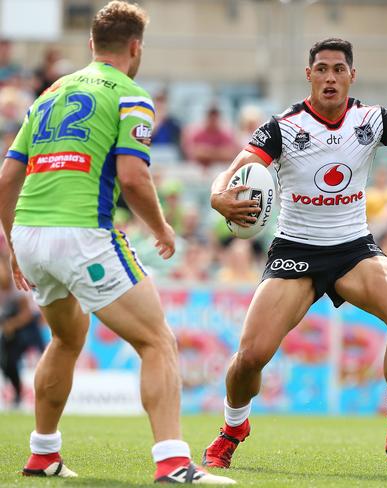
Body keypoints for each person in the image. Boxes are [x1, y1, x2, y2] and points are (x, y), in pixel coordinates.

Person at [0, 1, 233, 484]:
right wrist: (163, 228)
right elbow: (133, 177)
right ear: (135, 47)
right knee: (157, 341)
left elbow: (6, 180)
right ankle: (172, 462)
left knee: (66, 338)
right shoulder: (130, 95)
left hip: (28, 232)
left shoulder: (48, 95)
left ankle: (43, 453)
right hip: (82, 232)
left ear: (90, 45)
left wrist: (12, 247)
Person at [203, 38, 387, 469]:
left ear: (352, 76)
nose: (330, 77)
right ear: (309, 75)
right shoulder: (283, 127)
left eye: (339, 69)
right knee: (250, 358)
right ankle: (232, 428)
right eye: (322, 68)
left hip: (353, 248)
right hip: (295, 252)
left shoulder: (374, 120)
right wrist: (216, 197)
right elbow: (235, 169)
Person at [0, 256, 45, 408]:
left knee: (44, 357)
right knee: (6, 361)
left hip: (29, 323)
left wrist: (11, 324)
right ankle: (17, 393)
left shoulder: (15, 284)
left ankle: (48, 393)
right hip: (9, 323)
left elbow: (28, 313)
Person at [181, 105, 239, 169]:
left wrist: (207, 152)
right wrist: (218, 153)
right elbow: (192, 152)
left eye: (215, 117)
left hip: (220, 169)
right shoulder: (196, 132)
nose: (212, 120)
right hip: (196, 168)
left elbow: (230, 154)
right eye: (210, 117)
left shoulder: (226, 133)